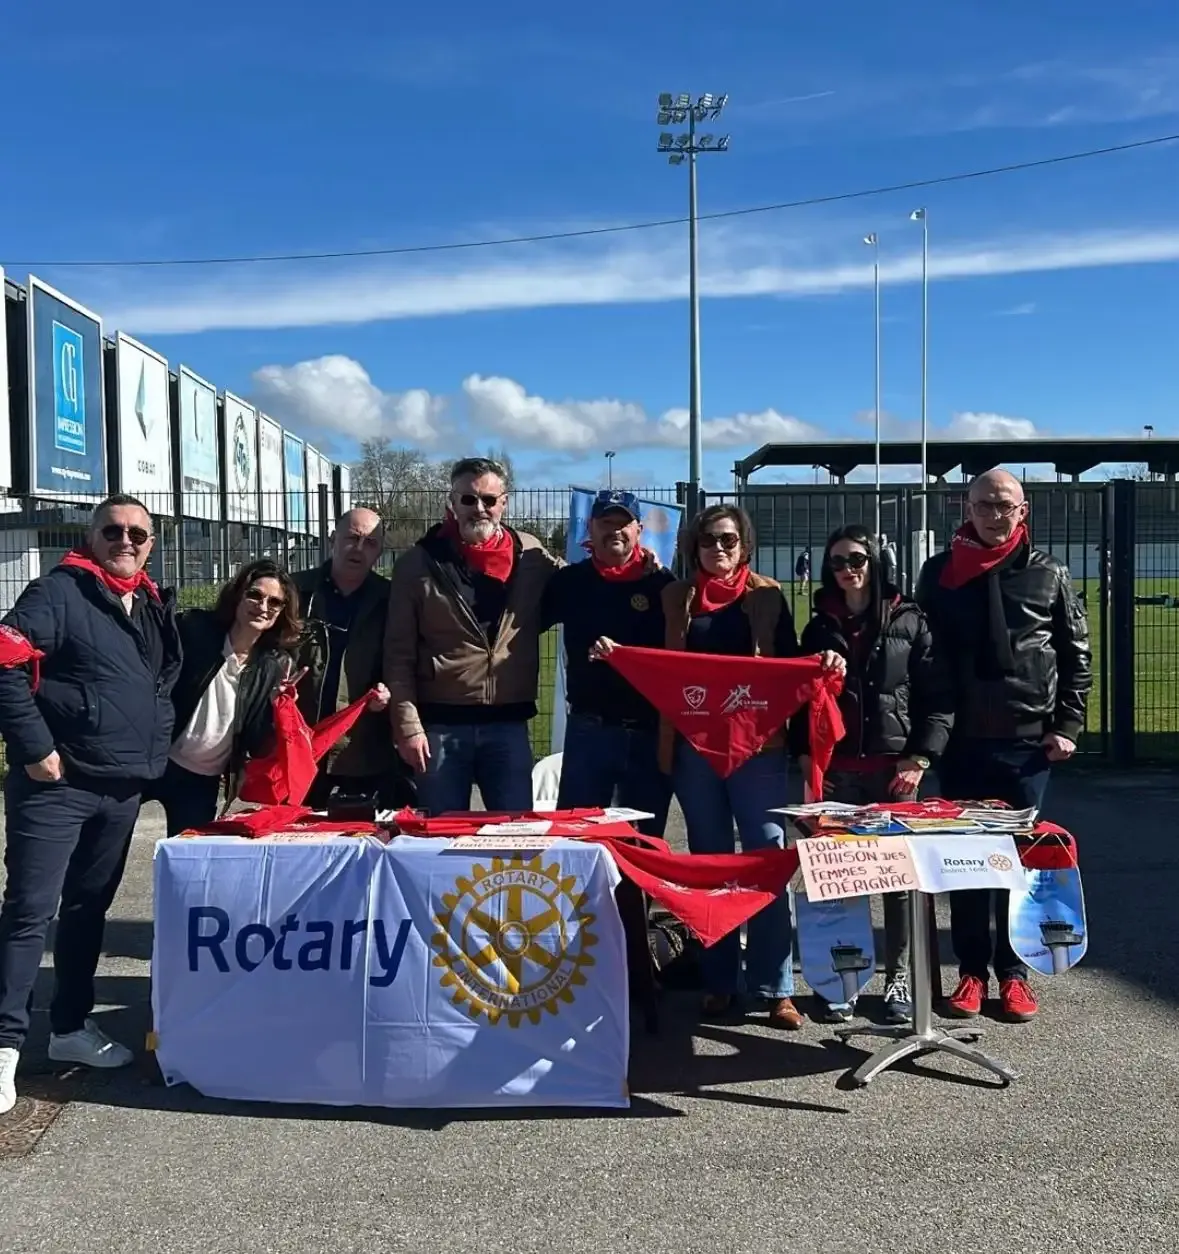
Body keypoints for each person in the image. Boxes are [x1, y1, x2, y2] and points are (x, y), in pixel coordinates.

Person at [0, 494, 182, 1114]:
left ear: (151, 542)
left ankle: (71, 1028)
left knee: (87, 911)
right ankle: (3, 1048)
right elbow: (3, 660)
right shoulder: (61, 592)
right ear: (92, 535)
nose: (125, 540)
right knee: (29, 912)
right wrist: (33, 748)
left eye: (138, 532)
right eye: (113, 530)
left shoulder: (150, 602)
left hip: (122, 784)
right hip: (58, 784)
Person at [917, 469, 1091, 1023]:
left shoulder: (1049, 574)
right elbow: (924, 657)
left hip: (1026, 743)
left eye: (1005, 505)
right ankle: (970, 971)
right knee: (967, 865)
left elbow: (1075, 653)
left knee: (1019, 865)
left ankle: (1013, 974)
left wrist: (1067, 724)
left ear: (1024, 510)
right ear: (966, 508)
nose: (995, 514)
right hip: (963, 741)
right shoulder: (939, 574)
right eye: (984, 505)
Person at [790, 524, 953, 1026]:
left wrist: (920, 758)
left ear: (875, 561)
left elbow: (938, 699)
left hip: (892, 772)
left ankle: (899, 975)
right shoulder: (819, 626)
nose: (848, 570)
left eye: (856, 559)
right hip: (838, 772)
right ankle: (840, 979)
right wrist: (807, 765)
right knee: (838, 880)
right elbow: (801, 702)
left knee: (899, 883)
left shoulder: (909, 619)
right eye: (837, 562)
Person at [661, 504, 806, 1029]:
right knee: (711, 865)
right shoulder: (675, 599)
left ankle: (775, 987)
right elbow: (657, 663)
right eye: (707, 541)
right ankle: (720, 980)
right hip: (694, 753)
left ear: (744, 545)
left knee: (766, 858)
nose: (717, 550)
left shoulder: (767, 596)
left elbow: (790, 665)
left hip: (759, 752)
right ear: (692, 548)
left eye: (727, 540)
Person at [385, 457, 560, 813]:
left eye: (489, 500)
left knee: (512, 843)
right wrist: (407, 726)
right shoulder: (417, 565)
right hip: (440, 729)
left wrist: (642, 559)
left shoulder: (533, 555)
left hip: (509, 726)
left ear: (504, 503)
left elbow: (583, 581)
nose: (478, 509)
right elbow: (398, 654)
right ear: (451, 501)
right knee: (438, 843)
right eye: (467, 499)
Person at [541, 489, 675, 835]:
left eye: (623, 523)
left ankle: (639, 893)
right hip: (590, 731)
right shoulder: (569, 582)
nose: (615, 530)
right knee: (578, 834)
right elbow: (521, 626)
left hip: (647, 731)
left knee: (644, 840)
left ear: (639, 530)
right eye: (606, 522)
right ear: (590, 527)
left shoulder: (662, 584)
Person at [155, 561, 301, 837]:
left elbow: (257, 745)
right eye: (255, 595)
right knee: (109, 847)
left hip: (202, 782)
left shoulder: (276, 665)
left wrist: (276, 707)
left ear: (282, 612)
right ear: (238, 594)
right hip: (158, 760)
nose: (263, 606)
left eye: (275, 602)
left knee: (189, 862)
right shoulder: (195, 631)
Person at [293, 508, 401, 811]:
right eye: (352, 538)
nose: (359, 549)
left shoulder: (391, 599)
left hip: (361, 752)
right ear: (332, 539)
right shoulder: (294, 591)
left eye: (370, 543)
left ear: (379, 550)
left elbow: (404, 660)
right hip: (298, 748)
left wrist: (389, 690)